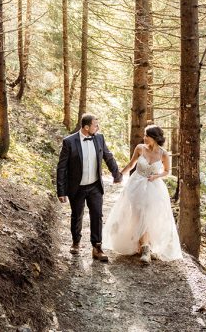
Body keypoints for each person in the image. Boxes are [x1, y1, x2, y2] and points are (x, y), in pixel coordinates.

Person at [103, 124, 182, 263]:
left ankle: (146, 246)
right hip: (136, 185)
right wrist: (120, 175)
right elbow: (131, 164)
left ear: (155, 138)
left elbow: (167, 171)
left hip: (154, 187)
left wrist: (156, 176)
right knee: (137, 214)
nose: (144, 138)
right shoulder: (140, 148)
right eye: (144, 135)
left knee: (150, 215)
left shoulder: (163, 154)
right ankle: (143, 247)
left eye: (147, 136)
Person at [57, 113, 123, 262]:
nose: (97, 127)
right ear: (86, 127)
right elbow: (61, 167)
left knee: (97, 215)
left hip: (94, 186)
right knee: (77, 215)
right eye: (95, 125)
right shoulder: (69, 142)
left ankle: (97, 247)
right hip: (77, 187)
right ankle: (76, 242)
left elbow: (108, 156)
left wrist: (116, 174)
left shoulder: (99, 138)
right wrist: (61, 190)